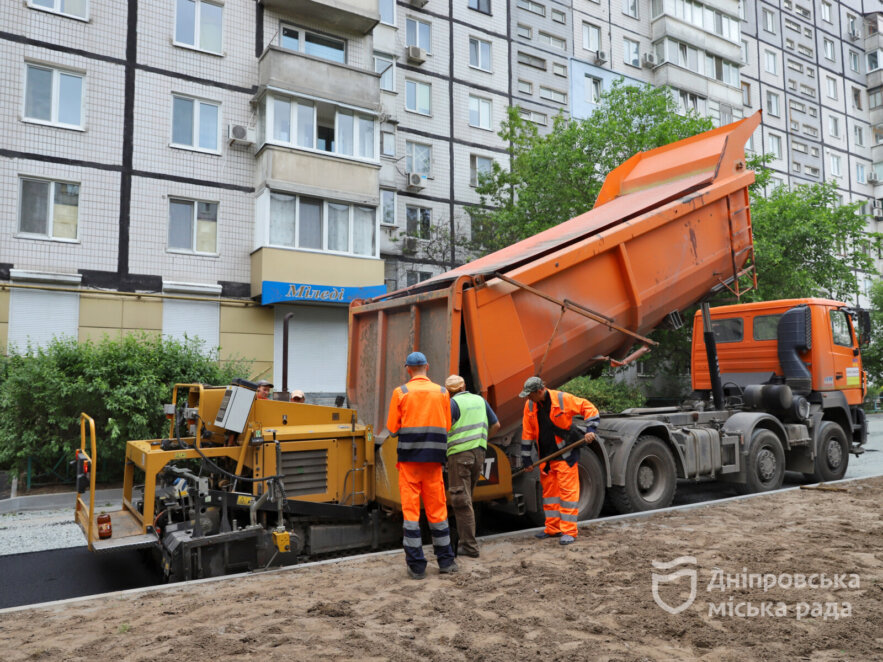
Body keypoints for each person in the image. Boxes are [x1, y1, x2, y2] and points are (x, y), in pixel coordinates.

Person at [386, 351, 457, 580]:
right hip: (434, 462)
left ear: (408, 369)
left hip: (409, 463)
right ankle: (446, 562)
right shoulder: (443, 392)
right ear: (427, 366)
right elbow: (446, 426)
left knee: (411, 514)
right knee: (438, 512)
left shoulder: (401, 392)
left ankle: (417, 567)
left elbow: (392, 429)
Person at [520, 376, 599, 546]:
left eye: (530, 395)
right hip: (545, 458)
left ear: (539, 391)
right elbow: (527, 432)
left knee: (567, 494)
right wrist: (526, 458)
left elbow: (589, 408)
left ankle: (569, 531)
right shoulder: (530, 405)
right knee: (550, 495)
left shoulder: (562, 399)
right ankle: (552, 528)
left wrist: (591, 429)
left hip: (565, 455)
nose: (527, 398)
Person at [444, 374, 500, 559]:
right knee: (467, 498)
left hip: (459, 456)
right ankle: (465, 541)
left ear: (449, 392)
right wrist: (482, 442)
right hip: (478, 454)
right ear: (464, 386)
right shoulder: (480, 400)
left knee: (461, 502)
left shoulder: (452, 404)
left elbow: (444, 429)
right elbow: (496, 425)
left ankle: (469, 546)